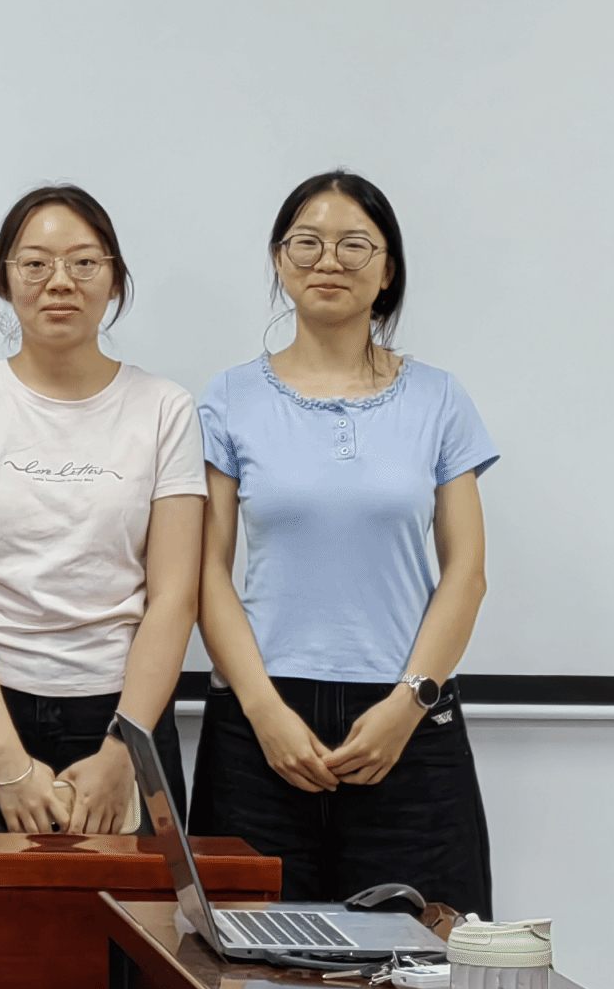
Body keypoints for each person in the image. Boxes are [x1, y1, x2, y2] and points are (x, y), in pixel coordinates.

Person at [192, 170, 496, 914]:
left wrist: (410, 702)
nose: (329, 260)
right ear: (279, 259)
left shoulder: (439, 398)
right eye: (308, 242)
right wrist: (263, 711)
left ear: (387, 270)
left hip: (406, 718)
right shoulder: (229, 398)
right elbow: (205, 571)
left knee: (422, 949)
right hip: (260, 724)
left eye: (354, 244)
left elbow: (466, 573)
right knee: (245, 955)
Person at [0, 184, 207, 834]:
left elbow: (174, 597)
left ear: (114, 280)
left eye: (84, 262)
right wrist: (6, 760)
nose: (60, 281)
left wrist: (124, 750)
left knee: (136, 906)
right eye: (35, 263)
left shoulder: (165, 409)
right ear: (5, 279)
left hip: (124, 715)